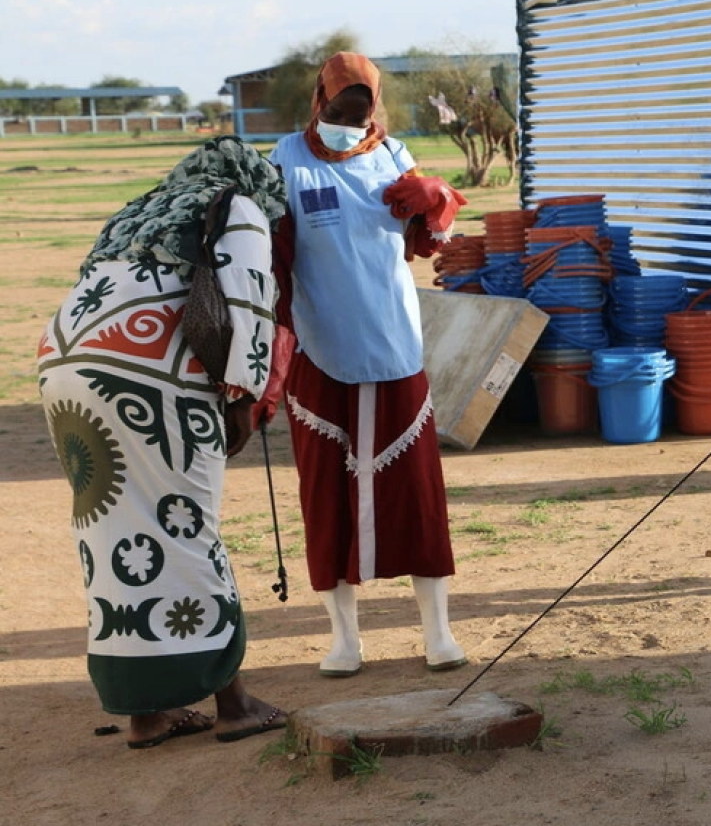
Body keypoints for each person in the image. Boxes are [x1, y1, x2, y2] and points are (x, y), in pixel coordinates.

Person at [37, 136, 290, 747]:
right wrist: (244, 397)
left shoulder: (140, 208)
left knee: (112, 527)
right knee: (186, 522)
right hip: (151, 372)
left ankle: (147, 712)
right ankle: (234, 702)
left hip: (65, 364)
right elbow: (248, 301)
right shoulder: (239, 205)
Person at [269, 52, 469, 677]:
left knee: (416, 493)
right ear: (318, 102)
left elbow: (423, 243)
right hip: (319, 348)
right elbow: (273, 255)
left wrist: (436, 205)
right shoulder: (285, 161)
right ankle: (344, 640)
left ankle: (437, 633)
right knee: (325, 493)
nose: (350, 122)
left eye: (362, 111)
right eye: (339, 110)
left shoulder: (393, 154)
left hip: (392, 343)